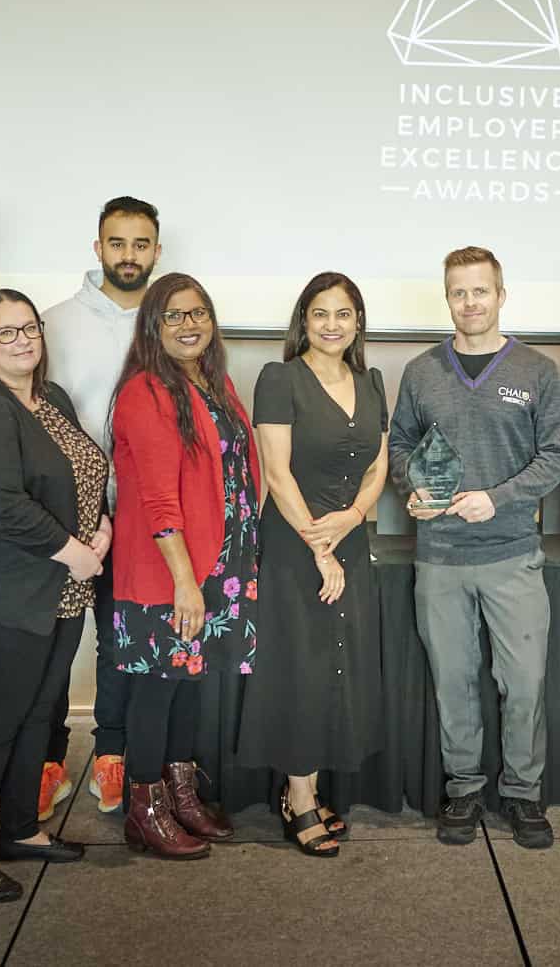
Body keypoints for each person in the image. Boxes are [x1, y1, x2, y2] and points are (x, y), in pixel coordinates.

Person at [387, 247, 560, 849]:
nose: (470, 303)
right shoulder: (421, 372)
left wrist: (498, 498)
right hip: (439, 557)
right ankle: (463, 789)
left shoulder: (537, 371)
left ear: (501, 294)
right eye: (459, 293)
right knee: (455, 681)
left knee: (524, 683)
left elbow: (556, 457)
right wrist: (411, 489)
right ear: (448, 298)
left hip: (512, 555)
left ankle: (523, 793)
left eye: (481, 291)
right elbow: (400, 449)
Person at [0, 289, 104, 901]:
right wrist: (76, 552)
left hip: (62, 588)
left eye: (28, 328)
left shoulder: (51, 398)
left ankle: (20, 830)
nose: (22, 341)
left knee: (41, 714)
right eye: (4, 333)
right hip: (7, 591)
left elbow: (85, 471)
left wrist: (103, 526)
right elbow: (1, 504)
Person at [238, 272, 389, 857]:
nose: (332, 323)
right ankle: (298, 796)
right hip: (294, 541)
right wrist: (319, 548)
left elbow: (378, 466)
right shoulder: (279, 379)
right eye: (320, 313)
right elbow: (276, 474)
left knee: (337, 663)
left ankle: (314, 785)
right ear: (304, 320)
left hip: (346, 534)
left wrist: (351, 520)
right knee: (301, 665)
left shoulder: (370, 380)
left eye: (343, 313)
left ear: (357, 322)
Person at [109, 273, 257, 860]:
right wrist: (184, 582)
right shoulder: (146, 391)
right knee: (156, 689)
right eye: (173, 315)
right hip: (168, 571)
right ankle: (144, 812)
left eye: (199, 313)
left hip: (217, 563)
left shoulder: (215, 383)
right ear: (152, 326)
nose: (189, 324)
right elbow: (157, 500)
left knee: (189, 684)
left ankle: (180, 796)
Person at [38, 196, 162, 821]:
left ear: (157, 252)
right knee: (56, 641)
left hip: (138, 516)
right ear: (98, 249)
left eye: (141, 245)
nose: (129, 256)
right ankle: (48, 758)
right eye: (118, 243)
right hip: (64, 515)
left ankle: (111, 753)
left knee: (117, 640)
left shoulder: (169, 324)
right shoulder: (53, 323)